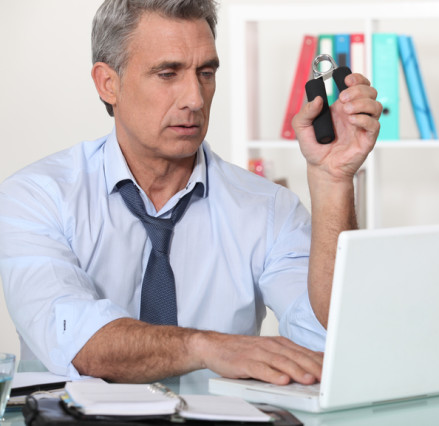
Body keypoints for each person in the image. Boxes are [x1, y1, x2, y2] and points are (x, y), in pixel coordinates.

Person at [0, 0, 381, 385]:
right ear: (108, 83)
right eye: (168, 74)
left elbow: (332, 340)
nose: (195, 99)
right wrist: (207, 347)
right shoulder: (35, 197)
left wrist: (332, 179)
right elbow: (74, 340)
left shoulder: (269, 209)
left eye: (206, 73)